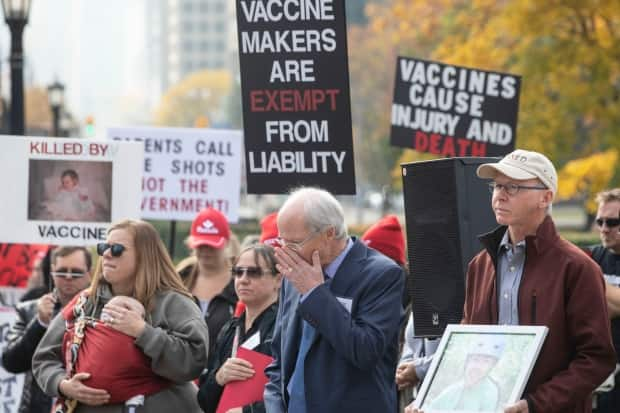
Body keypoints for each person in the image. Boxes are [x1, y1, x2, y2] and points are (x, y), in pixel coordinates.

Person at [407, 149, 616, 413]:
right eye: (496, 186)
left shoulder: (577, 268)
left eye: (514, 187)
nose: (500, 195)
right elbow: (466, 344)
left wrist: (534, 404)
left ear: (546, 197)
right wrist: (431, 399)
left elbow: (596, 360)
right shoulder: (480, 265)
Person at [32, 219, 209, 412]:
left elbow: (194, 360)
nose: (107, 254)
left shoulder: (173, 303)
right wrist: (63, 385)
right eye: (103, 247)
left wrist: (143, 332)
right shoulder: (85, 302)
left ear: (144, 255)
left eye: (117, 249)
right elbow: (43, 358)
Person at [264, 187, 405, 412]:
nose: (286, 252)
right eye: (282, 242)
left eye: (294, 243)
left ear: (329, 234)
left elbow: (365, 350)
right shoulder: (294, 275)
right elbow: (279, 361)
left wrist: (315, 294)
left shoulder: (381, 274)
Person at [2, 246, 93, 413]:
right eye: (62, 271)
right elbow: (11, 362)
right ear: (52, 271)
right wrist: (40, 324)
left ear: (90, 273)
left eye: (76, 272)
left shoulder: (102, 311)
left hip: (86, 404)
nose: (68, 277)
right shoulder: (28, 309)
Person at [197, 244, 281, 413]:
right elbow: (203, 401)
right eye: (238, 272)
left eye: (254, 272)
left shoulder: (286, 328)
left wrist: (248, 411)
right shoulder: (230, 328)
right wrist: (219, 378)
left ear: (278, 280)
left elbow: (295, 395)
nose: (243, 279)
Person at [180, 207, 238, 359]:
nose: (206, 250)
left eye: (212, 245)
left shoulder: (240, 282)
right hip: (182, 375)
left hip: (222, 376)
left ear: (226, 243)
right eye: (201, 245)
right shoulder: (179, 280)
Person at [590, 188, 620, 412]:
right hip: (599, 376)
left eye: (612, 222)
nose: (604, 229)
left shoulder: (586, 267)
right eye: (600, 221)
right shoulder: (592, 257)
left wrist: (589, 282)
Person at [426, 336, 504, 411]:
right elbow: (429, 408)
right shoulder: (454, 389)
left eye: (486, 362)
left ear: (491, 367)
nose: (478, 367)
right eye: (475, 359)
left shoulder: (490, 392)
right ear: (467, 362)